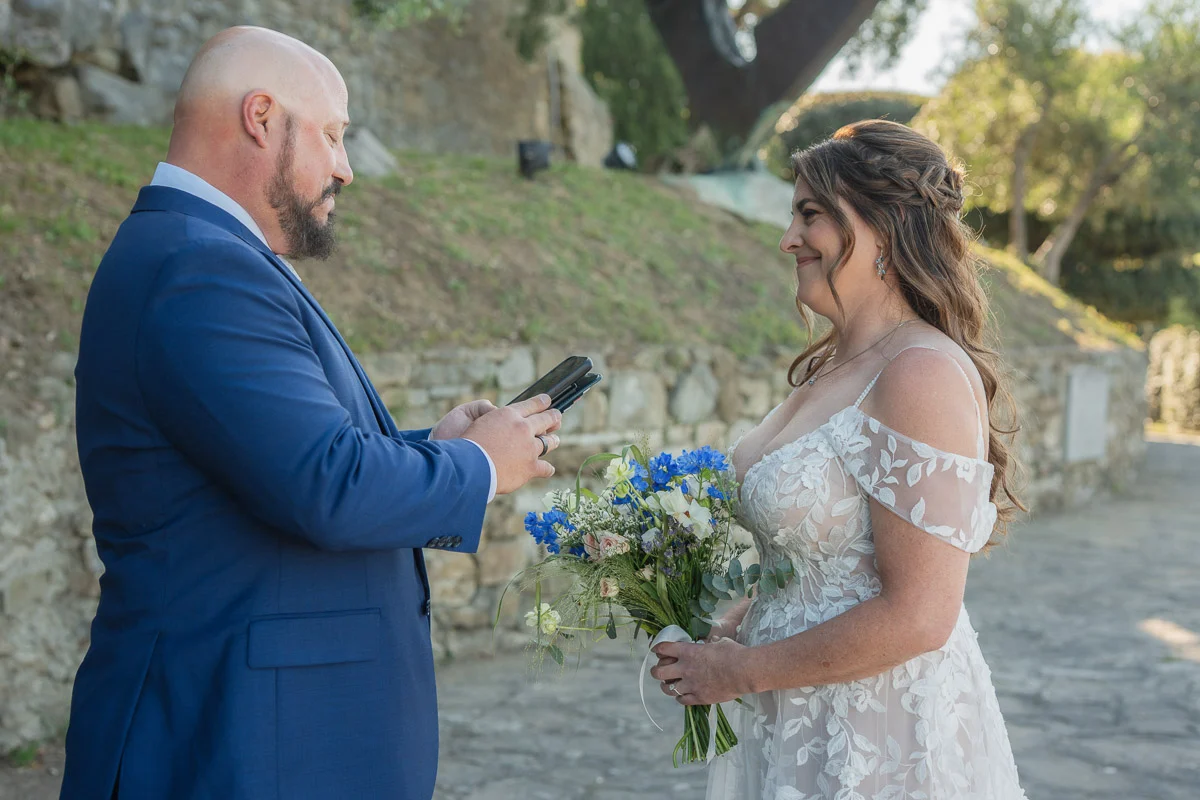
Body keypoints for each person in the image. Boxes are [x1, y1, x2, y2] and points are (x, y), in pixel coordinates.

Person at [61, 26, 561, 800]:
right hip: (240, 742)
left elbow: (273, 460)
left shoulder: (201, 253)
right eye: (332, 134)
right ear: (261, 117)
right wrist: (479, 466)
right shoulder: (200, 268)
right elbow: (326, 486)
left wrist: (432, 449)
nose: (345, 167)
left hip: (261, 735)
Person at [651, 120, 1028, 799]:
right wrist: (735, 625)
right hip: (790, 712)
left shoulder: (920, 373)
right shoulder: (835, 365)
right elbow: (828, 565)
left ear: (883, 228)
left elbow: (920, 614)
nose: (788, 238)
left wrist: (739, 673)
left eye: (810, 214)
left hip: (875, 732)